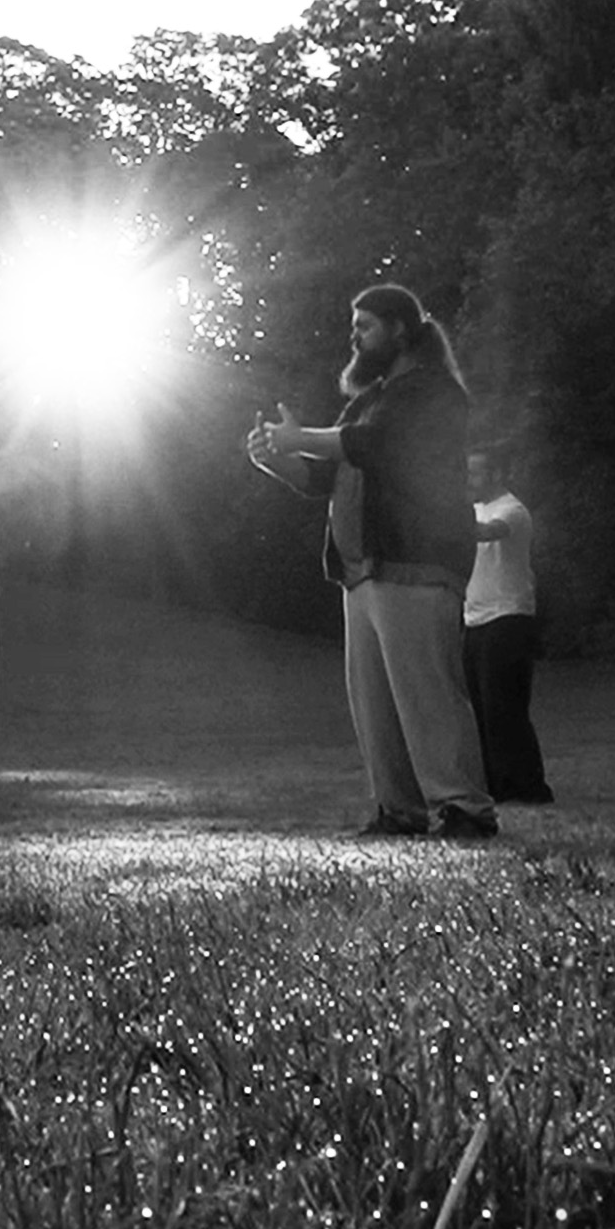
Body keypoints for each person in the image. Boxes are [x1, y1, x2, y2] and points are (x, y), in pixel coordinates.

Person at [246, 284, 497, 841]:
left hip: (416, 561)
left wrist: (301, 436)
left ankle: (464, 808)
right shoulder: (369, 398)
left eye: (366, 325)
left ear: (400, 329)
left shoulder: (435, 392)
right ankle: (399, 811)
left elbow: (376, 444)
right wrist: (278, 459)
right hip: (361, 572)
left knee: (427, 693)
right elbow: (324, 477)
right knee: (375, 705)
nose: (354, 336)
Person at [464, 447, 554, 805]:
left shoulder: (513, 511)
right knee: (480, 708)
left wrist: (444, 517)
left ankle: (529, 786)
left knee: (505, 706)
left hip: (508, 617)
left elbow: (487, 533)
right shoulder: (472, 510)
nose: (468, 481)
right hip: (474, 619)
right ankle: (495, 784)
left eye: (475, 473)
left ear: (497, 475)